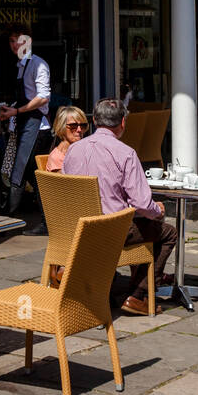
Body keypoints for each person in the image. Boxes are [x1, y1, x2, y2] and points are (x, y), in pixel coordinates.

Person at [63, 97, 176, 316]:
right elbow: (142, 204)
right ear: (123, 122)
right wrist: (158, 211)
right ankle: (138, 295)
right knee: (167, 232)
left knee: (143, 224)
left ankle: (119, 291)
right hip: (111, 232)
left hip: (79, 229)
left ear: (94, 121)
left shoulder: (73, 151)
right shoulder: (125, 154)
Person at [0, 28, 52, 215]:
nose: (15, 45)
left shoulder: (38, 64)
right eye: (12, 41)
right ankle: (47, 218)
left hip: (37, 125)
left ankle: (9, 219)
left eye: (19, 40)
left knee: (20, 170)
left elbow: (43, 97)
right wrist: (11, 111)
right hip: (24, 122)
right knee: (31, 173)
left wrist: (18, 110)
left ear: (28, 42)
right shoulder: (20, 66)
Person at [46, 105, 88, 172]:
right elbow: (68, 182)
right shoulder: (57, 157)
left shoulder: (82, 151)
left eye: (83, 126)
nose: (79, 130)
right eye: (73, 126)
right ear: (61, 126)